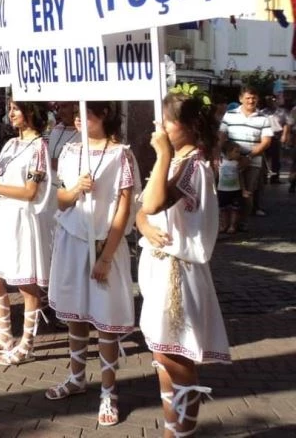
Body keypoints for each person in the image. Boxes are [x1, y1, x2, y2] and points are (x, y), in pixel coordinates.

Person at [136, 85, 231, 438]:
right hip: (159, 266)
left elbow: (152, 203)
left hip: (178, 271)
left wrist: (161, 154)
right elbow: (143, 211)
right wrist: (144, 225)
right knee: (161, 355)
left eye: (167, 122)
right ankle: (170, 430)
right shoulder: (178, 161)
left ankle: (184, 432)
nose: (160, 128)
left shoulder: (194, 166)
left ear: (189, 125)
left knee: (174, 356)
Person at [45, 101, 140, 428]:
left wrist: (106, 257)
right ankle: (76, 377)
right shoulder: (71, 152)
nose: (78, 120)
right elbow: (59, 199)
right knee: (75, 315)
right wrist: (76, 190)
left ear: (104, 116)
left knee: (105, 321)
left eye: (85, 114)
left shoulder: (121, 155)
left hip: (103, 245)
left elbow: (124, 209)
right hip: (72, 242)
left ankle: (108, 391)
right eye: (76, 115)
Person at [0, 100, 53, 365]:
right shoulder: (10, 144)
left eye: (16, 109)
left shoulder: (40, 147)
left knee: (26, 284)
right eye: (10, 108)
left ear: (31, 111)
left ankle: (27, 343)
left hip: (23, 218)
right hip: (4, 215)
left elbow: (30, 192)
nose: (11, 113)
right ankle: (5, 335)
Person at [219, 86, 272, 225]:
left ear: (258, 99)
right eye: (248, 98)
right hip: (230, 161)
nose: (251, 101)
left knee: (247, 193)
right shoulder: (229, 114)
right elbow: (222, 136)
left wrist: (248, 157)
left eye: (254, 98)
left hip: (253, 161)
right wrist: (217, 154)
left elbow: (266, 142)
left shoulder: (264, 118)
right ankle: (227, 223)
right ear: (241, 99)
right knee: (227, 192)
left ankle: (242, 223)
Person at [216, 141, 247, 235]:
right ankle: (224, 225)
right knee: (223, 209)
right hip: (222, 190)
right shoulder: (220, 162)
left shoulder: (238, 164)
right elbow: (216, 176)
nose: (239, 154)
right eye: (236, 152)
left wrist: (243, 190)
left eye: (239, 152)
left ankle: (232, 226)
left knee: (235, 209)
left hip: (235, 190)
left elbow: (241, 177)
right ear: (228, 152)